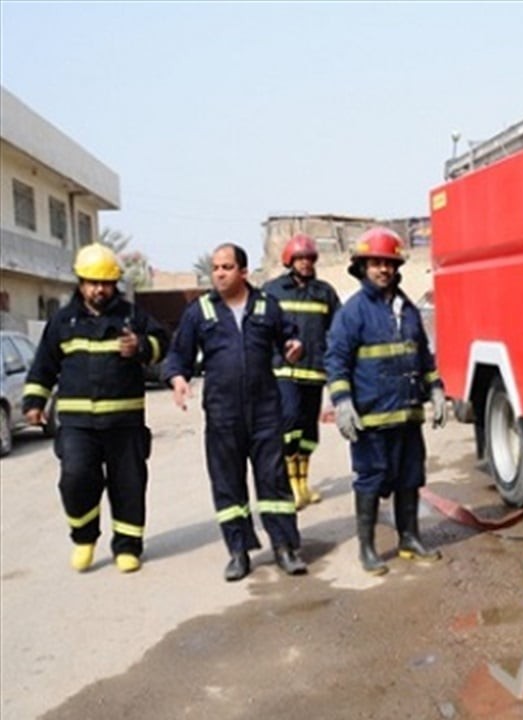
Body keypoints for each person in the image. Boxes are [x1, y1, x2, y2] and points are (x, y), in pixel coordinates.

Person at [163, 243, 308, 581]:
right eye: (216, 268)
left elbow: (290, 338)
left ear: (243, 271)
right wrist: (178, 379)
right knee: (228, 484)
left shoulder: (266, 306)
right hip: (223, 413)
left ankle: (285, 548)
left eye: (227, 267)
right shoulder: (200, 311)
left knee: (274, 481)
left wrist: (294, 348)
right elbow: (178, 355)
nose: (219, 273)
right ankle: (238, 552)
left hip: (265, 412)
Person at [21, 244, 169, 573]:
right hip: (77, 424)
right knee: (75, 479)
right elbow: (44, 364)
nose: (99, 289)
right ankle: (84, 537)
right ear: (80, 282)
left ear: (115, 283)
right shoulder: (62, 321)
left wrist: (142, 346)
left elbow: (165, 342)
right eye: (92, 282)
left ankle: (128, 546)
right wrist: (34, 401)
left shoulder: (132, 316)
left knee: (128, 484)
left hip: (125, 422)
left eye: (105, 283)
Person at [325, 227, 446, 575]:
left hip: (407, 416)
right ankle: (367, 547)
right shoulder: (353, 312)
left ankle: (410, 538)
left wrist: (435, 389)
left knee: (410, 477)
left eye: (389, 263)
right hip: (372, 419)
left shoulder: (407, 309)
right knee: (371, 480)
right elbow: (336, 360)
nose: (383, 270)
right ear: (363, 267)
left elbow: (422, 356)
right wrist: (343, 402)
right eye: (376, 263)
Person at [264, 233, 341, 509]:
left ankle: (304, 484)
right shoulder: (273, 291)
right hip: (283, 371)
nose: (306, 263)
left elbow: (337, 331)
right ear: (289, 261)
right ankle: (290, 484)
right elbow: (263, 329)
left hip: (314, 372)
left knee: (309, 430)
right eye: (300, 259)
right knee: (290, 419)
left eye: (309, 258)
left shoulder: (325, 292)